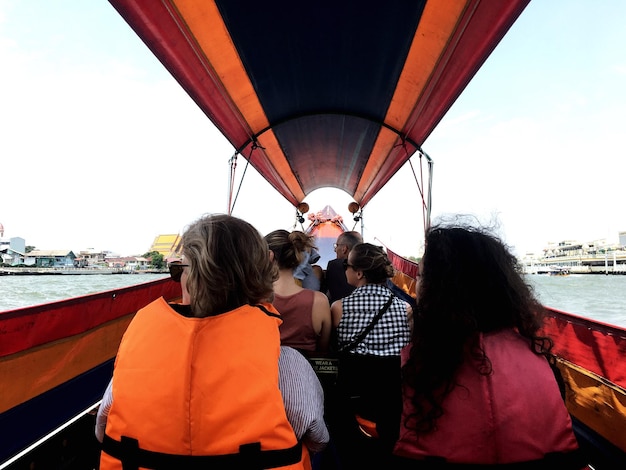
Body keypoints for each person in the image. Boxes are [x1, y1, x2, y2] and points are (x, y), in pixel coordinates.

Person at [96, 214, 328, 470]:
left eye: (179, 269)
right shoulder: (288, 365)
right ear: (262, 276)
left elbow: (103, 428)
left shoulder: (137, 360)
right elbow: (317, 437)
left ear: (190, 280)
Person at [393, 223, 586, 468]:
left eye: (420, 276)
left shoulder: (415, 367)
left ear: (437, 291)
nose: (416, 285)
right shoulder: (541, 359)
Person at [330, 242, 411, 468]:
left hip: (353, 396)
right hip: (392, 398)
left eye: (346, 265)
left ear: (359, 273)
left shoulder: (339, 307)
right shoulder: (405, 309)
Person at [265, 229, 332, 356]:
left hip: (265, 372)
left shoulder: (253, 299)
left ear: (270, 255)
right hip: (305, 372)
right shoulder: (320, 301)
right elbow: (323, 350)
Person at [325, 231, 363, 304]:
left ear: (344, 249)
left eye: (336, 246)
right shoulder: (370, 265)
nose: (335, 250)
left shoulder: (334, 265)